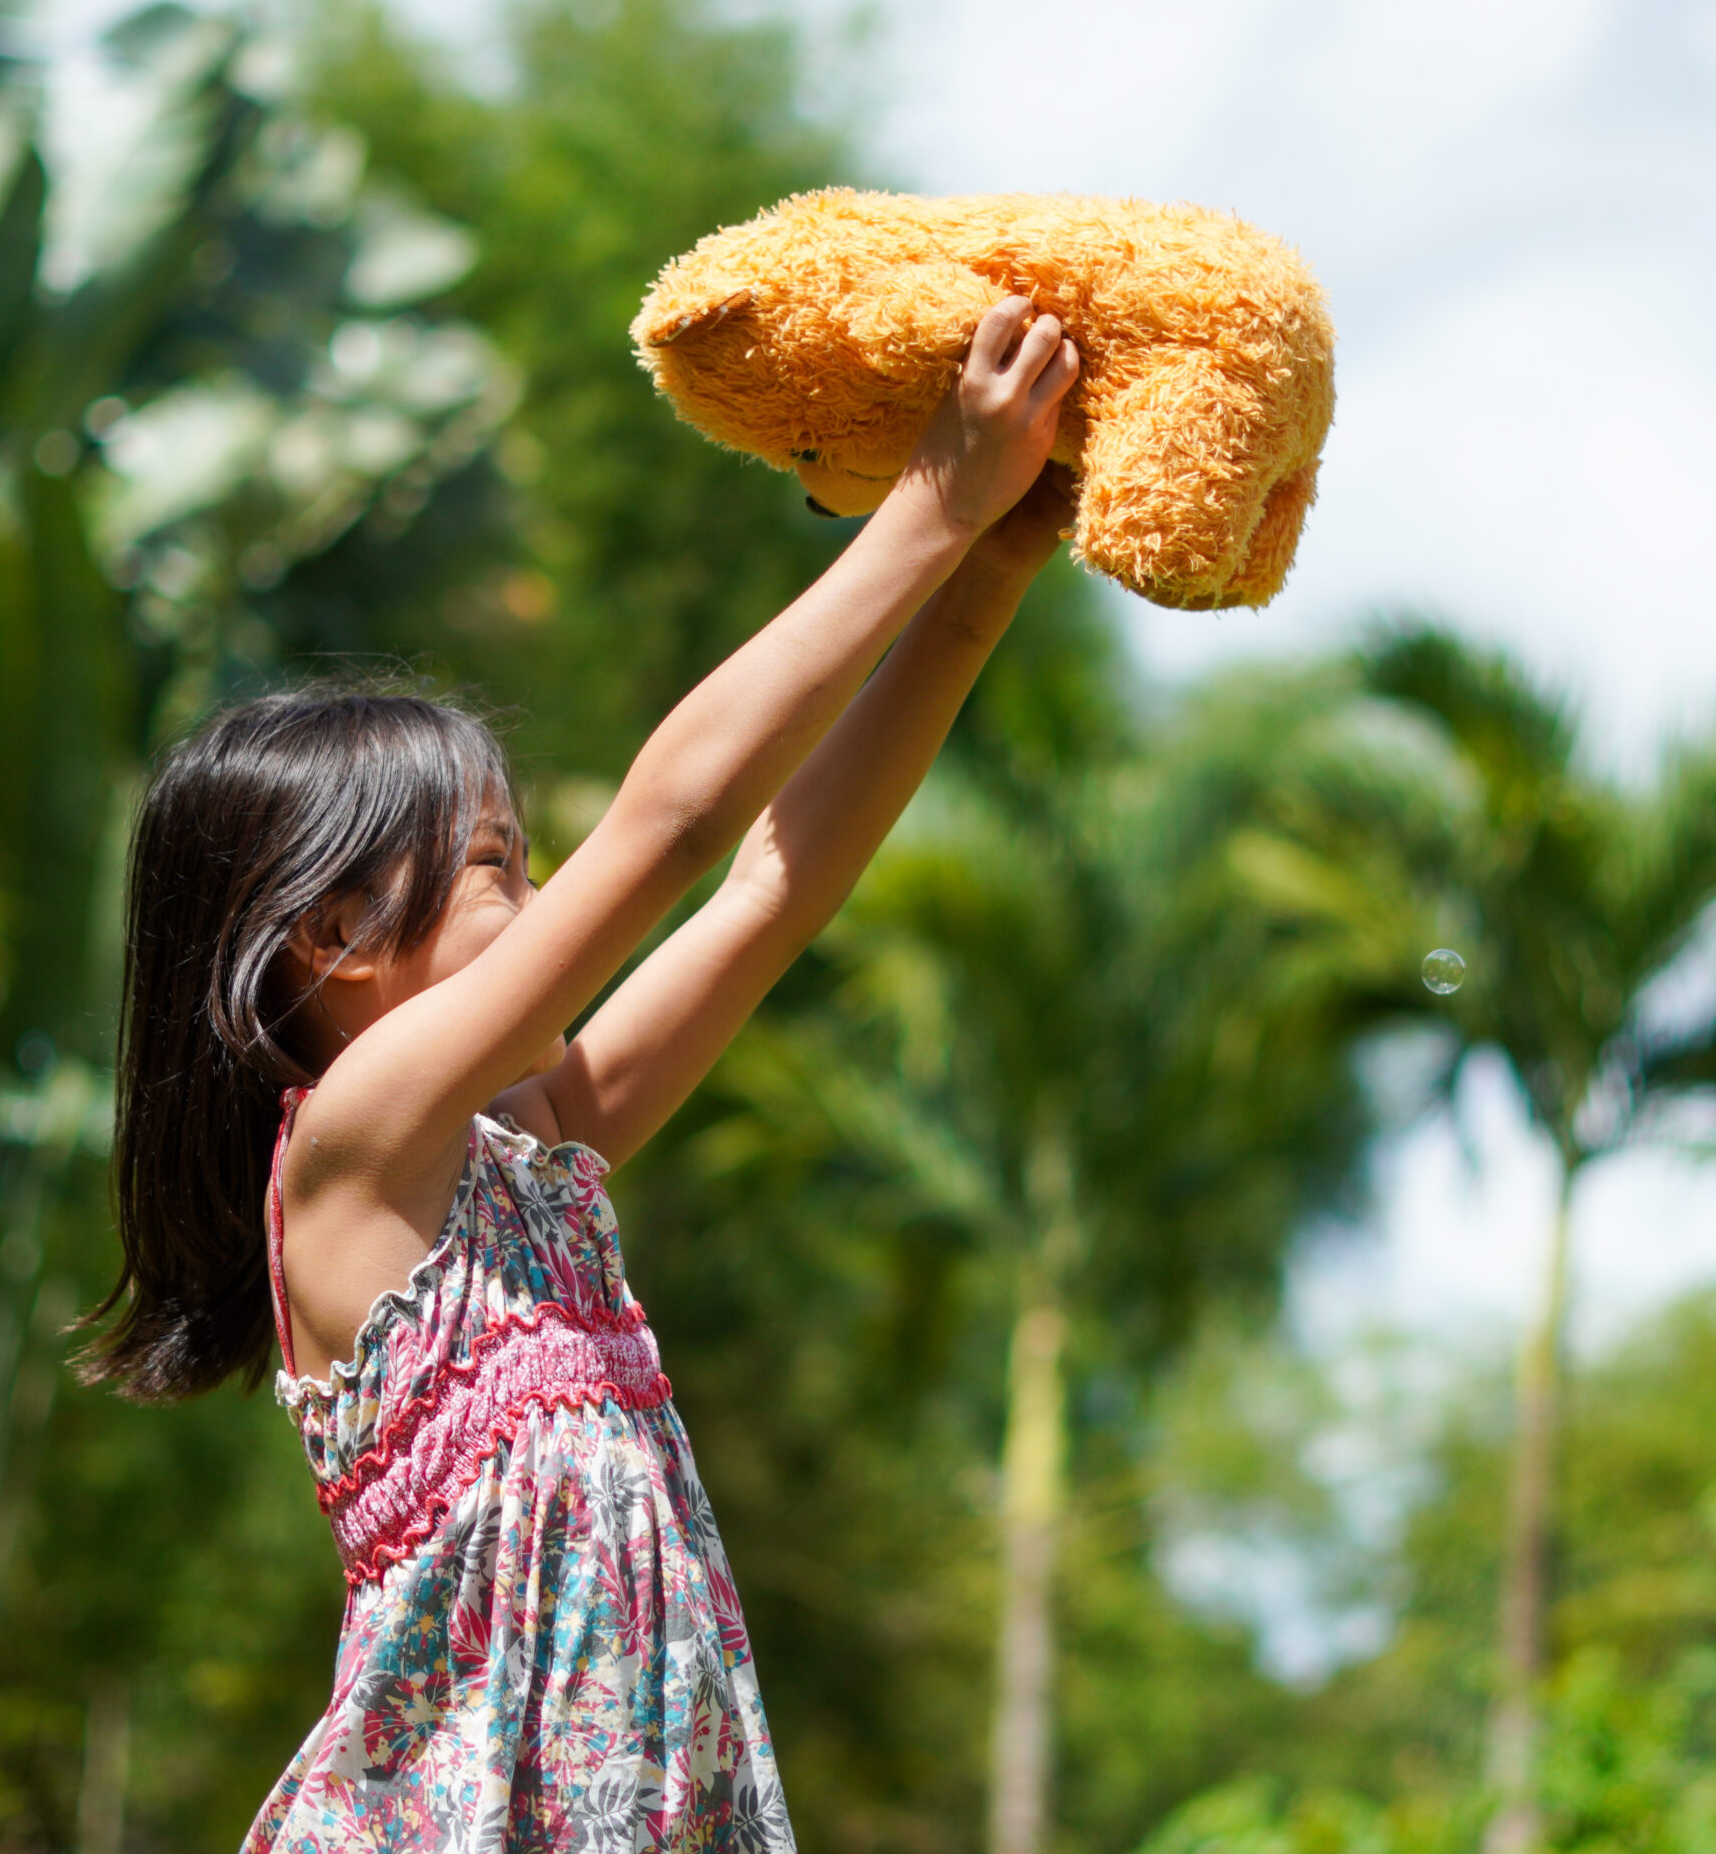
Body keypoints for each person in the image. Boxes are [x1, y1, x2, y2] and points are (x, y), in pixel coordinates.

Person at [81, 298, 1083, 1852]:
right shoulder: (352, 1154)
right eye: (498, 868)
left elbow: (762, 891)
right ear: (336, 936)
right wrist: (929, 504)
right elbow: (671, 836)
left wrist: (981, 585)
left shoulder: (530, 1145)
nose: (552, 910)